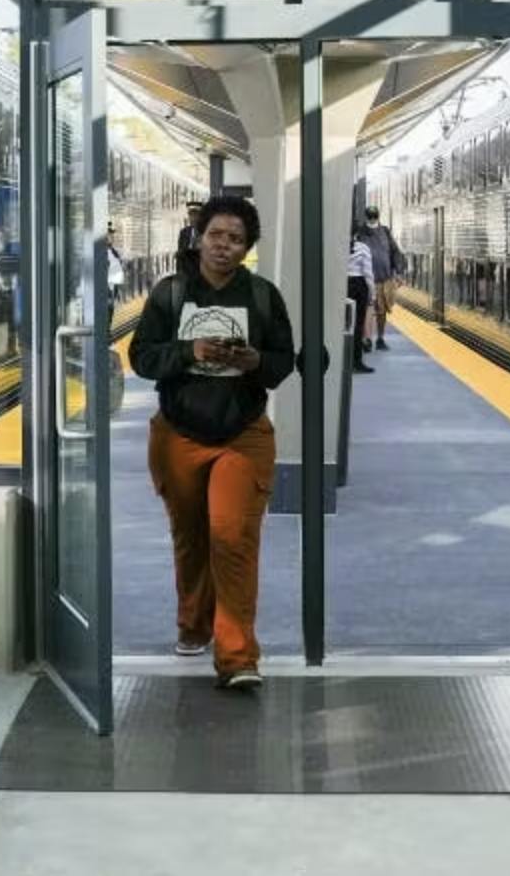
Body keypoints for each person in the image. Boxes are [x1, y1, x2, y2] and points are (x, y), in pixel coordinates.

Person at [129, 195, 297, 691]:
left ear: (248, 248)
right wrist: (189, 351)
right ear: (200, 237)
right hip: (178, 434)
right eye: (217, 235)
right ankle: (194, 624)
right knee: (191, 537)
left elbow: (283, 361)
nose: (224, 245)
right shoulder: (170, 293)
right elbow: (141, 358)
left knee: (233, 538)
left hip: (242, 435)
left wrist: (254, 363)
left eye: (236, 239)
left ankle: (238, 655)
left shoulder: (263, 296)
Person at [361, 205, 405, 348]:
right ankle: (366, 339)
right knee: (368, 310)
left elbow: (395, 252)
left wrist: (399, 272)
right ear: (367, 217)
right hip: (366, 279)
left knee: (381, 311)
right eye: (370, 216)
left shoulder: (385, 231)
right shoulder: (361, 232)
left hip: (384, 279)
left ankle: (379, 338)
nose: (372, 219)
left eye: (374, 216)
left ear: (378, 216)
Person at [346, 225, 378, 374]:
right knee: (357, 325)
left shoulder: (338, 245)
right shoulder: (363, 248)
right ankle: (356, 362)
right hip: (358, 286)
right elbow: (368, 273)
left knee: (341, 324)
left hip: (342, 285)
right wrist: (372, 293)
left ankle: (342, 360)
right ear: (356, 234)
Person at [173, 201, 205, 278]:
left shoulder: (206, 233)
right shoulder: (184, 233)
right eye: (191, 215)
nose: (193, 218)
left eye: (196, 215)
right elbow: (180, 258)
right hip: (186, 276)